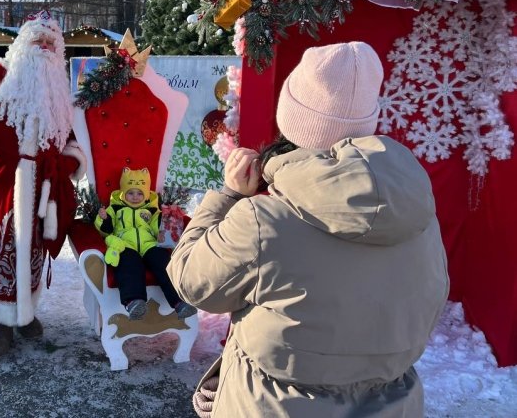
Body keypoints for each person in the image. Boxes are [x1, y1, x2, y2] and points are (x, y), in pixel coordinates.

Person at [168, 42, 449, 418]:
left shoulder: (263, 220)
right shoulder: (419, 218)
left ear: (292, 120)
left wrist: (229, 195)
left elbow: (190, 280)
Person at [0, 10, 86, 359]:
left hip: (43, 188)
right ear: (23, 43)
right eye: (36, 40)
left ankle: (25, 313)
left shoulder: (59, 88)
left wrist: (70, 159)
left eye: (49, 42)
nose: (42, 47)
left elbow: (69, 136)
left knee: (34, 252)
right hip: (2, 185)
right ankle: (0, 325)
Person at [95, 167, 197, 321]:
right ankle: (134, 302)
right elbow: (106, 231)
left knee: (163, 262)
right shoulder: (115, 208)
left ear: (146, 194)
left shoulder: (152, 210)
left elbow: (158, 230)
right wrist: (104, 219)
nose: (135, 197)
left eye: (139, 193)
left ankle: (179, 302)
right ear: (123, 192)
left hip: (149, 244)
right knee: (129, 264)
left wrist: (167, 219)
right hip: (125, 244)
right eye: (131, 192)